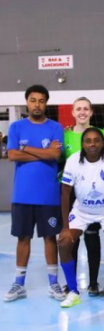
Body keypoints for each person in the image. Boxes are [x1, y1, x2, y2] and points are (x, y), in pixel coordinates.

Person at [4, 85, 66, 302]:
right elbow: (12, 155)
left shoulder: (56, 127)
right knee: (23, 238)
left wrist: (26, 149)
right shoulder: (16, 127)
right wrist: (43, 152)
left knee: (50, 237)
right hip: (22, 195)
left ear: (46, 103)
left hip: (48, 196)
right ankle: (19, 284)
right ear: (27, 102)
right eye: (33, 100)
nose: (37, 104)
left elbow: (55, 155)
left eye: (41, 100)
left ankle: (53, 283)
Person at [59, 128, 104, 308]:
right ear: (83, 144)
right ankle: (73, 291)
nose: (92, 144)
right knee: (64, 243)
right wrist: (65, 227)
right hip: (81, 211)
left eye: (96, 140)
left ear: (103, 143)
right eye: (88, 141)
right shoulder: (73, 160)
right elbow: (65, 194)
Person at [63, 97, 104, 296]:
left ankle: (93, 282)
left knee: (92, 239)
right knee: (71, 240)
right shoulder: (65, 135)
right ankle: (70, 283)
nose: (82, 112)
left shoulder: (101, 135)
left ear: (91, 112)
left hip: (97, 195)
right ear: (73, 113)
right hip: (73, 195)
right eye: (78, 109)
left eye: (86, 109)